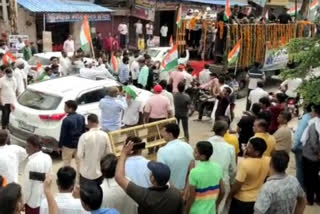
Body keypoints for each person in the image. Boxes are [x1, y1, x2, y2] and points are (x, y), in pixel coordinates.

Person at [115, 141, 184, 214]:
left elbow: (119, 178)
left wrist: (123, 153)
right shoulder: (176, 194)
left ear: (153, 179)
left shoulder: (145, 196)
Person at [229, 137, 270, 214]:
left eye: (250, 147)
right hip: (258, 197)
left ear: (257, 152)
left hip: (242, 200)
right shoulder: (268, 160)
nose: (246, 148)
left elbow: (237, 184)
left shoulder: (245, 164)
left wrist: (230, 195)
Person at [185, 141, 224, 214]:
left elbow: (191, 196)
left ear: (203, 156)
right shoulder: (218, 167)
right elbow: (222, 191)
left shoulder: (194, 172)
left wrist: (186, 211)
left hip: (196, 211)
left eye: (196, 152)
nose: (193, 153)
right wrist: (216, 205)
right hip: (211, 211)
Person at [208, 120, 236, 213]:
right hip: (223, 182)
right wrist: (232, 182)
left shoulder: (205, 143)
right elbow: (233, 170)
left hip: (206, 181)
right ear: (225, 131)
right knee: (220, 208)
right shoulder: (229, 148)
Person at [78, 114, 111, 186]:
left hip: (86, 173)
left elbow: (80, 155)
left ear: (89, 122)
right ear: (98, 121)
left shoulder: (84, 137)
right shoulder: (105, 135)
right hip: (100, 171)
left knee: (86, 193)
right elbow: (109, 153)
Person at [157, 123, 193, 191]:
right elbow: (191, 170)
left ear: (170, 134)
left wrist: (174, 192)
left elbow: (162, 174)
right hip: (186, 189)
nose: (162, 134)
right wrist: (186, 190)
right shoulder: (188, 147)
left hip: (171, 191)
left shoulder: (162, 151)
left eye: (164, 132)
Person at [24, 135, 52, 214]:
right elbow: (48, 177)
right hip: (43, 199)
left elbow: (27, 187)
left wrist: (23, 201)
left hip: (32, 202)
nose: (26, 148)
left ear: (36, 147)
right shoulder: (47, 157)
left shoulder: (31, 163)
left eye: (28, 146)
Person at [301, 104, 320, 205]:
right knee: (316, 178)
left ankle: (310, 200)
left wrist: (318, 153)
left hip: (310, 156)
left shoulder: (314, 125)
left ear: (316, 113)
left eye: (313, 112)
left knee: (309, 178)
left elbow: (313, 143)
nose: (311, 113)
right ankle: (318, 198)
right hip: (316, 157)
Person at [59, 100, 85, 169]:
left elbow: (63, 134)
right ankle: (80, 177)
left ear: (70, 109)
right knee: (79, 163)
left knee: (66, 163)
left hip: (68, 145)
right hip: (79, 144)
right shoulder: (81, 117)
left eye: (65, 107)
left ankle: (67, 178)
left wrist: (60, 146)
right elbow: (83, 131)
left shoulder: (66, 120)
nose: (64, 108)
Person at [292, 104, 313, 188]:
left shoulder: (306, 117)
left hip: (301, 148)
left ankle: (300, 188)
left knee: (300, 168)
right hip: (312, 149)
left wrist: (294, 146)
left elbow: (299, 133)